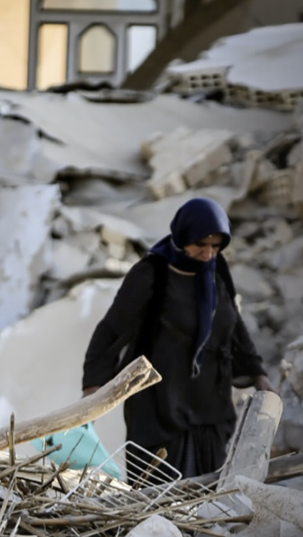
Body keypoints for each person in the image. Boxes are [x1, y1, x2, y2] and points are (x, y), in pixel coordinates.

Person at [81, 197, 273, 484]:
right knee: (159, 496)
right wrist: (93, 392)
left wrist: (258, 373)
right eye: (201, 245)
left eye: (216, 246)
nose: (209, 253)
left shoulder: (216, 272)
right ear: (184, 236)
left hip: (209, 407)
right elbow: (113, 329)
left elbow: (232, 323)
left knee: (209, 495)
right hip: (160, 408)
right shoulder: (152, 273)